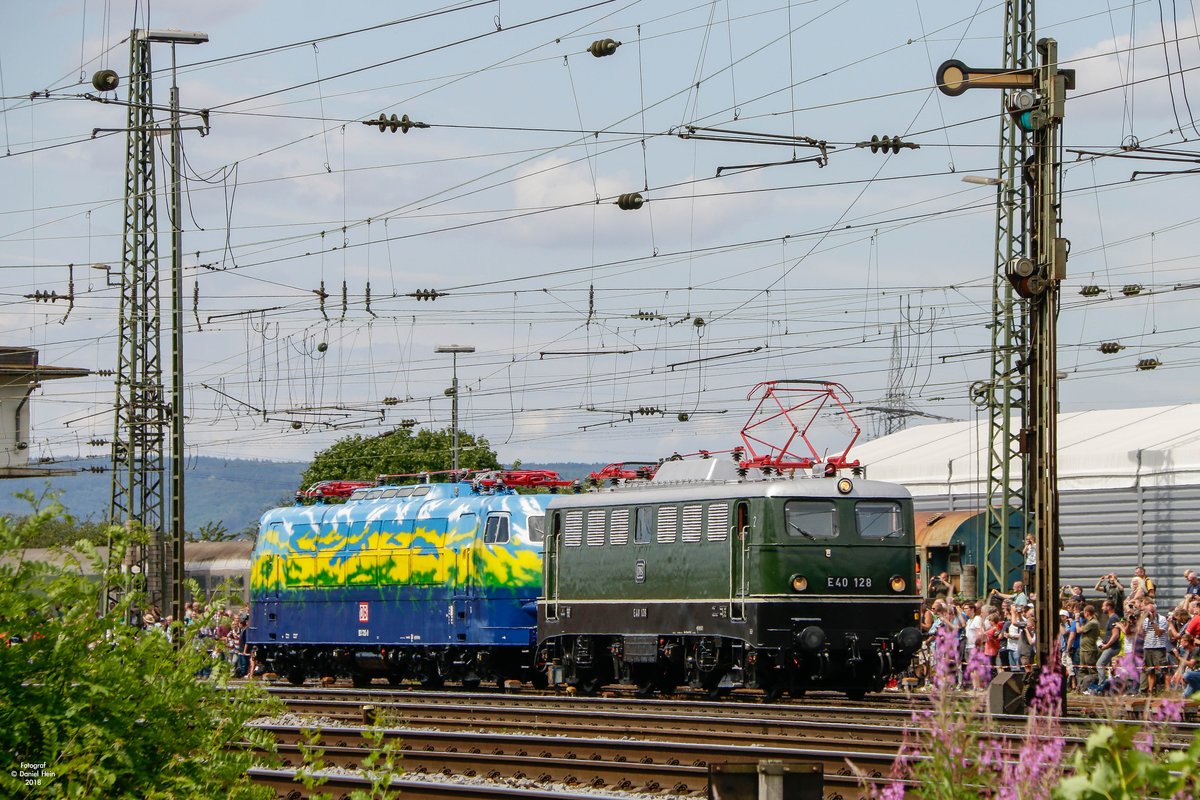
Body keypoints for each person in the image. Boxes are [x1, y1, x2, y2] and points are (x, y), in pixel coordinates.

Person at [1140, 601, 1170, 694]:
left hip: (1158, 647)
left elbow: (1159, 633)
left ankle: (1168, 691)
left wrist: (1152, 621)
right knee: (1150, 670)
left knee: (1164, 670)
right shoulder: (1145, 620)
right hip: (1148, 646)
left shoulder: (1162, 619)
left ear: (1155, 610)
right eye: (1149, 612)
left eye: (1152, 611)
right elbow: (1143, 633)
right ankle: (1150, 690)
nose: (1150, 614)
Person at [1096, 599, 1122, 684]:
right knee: (1108, 667)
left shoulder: (1113, 618)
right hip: (1110, 646)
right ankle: (1111, 684)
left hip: (1113, 647)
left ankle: (1101, 685)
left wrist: (1106, 646)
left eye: (1103, 606)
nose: (1102, 608)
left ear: (1108, 607)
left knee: (1100, 664)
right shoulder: (1112, 618)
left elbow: (1115, 635)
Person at [1076, 604, 1102, 690]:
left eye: (1084, 612)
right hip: (1083, 650)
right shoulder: (1089, 622)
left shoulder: (1093, 623)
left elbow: (1079, 630)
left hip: (1089, 650)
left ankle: (1093, 688)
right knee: (1082, 670)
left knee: (1092, 670)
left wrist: (1077, 621)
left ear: (1087, 613)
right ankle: (1081, 688)